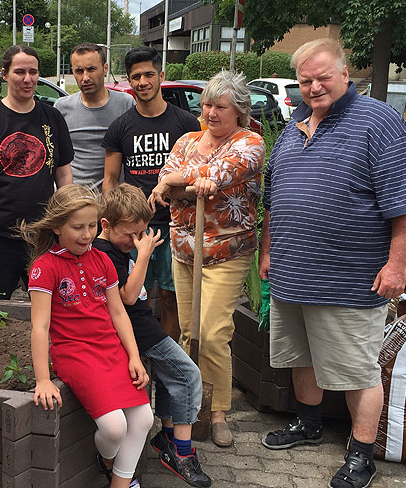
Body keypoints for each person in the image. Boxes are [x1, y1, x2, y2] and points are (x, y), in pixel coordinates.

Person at [258, 38, 406, 488]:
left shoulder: (378, 120)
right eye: (305, 80)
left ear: (346, 74)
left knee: (356, 370)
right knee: (301, 357)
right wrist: (268, 250)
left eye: (322, 77)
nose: (313, 87)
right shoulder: (294, 126)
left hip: (348, 279)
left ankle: (361, 454)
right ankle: (308, 424)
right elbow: (273, 197)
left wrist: (395, 266)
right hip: (293, 274)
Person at [150, 70, 265, 447]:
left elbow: (225, 172)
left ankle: (218, 413)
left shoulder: (249, 142)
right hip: (185, 250)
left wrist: (177, 182)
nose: (211, 113)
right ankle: (189, 408)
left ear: (239, 111)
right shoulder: (186, 140)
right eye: (206, 105)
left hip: (226, 252)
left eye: (220, 106)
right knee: (188, 332)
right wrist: (178, 183)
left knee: (214, 334)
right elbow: (165, 185)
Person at [23, 184, 152, 488]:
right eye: (77, 227)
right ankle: (109, 463)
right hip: (74, 353)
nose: (86, 234)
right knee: (114, 427)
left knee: (144, 419)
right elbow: (40, 327)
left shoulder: (103, 260)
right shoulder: (44, 268)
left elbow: (119, 313)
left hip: (110, 348)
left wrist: (134, 355)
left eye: (92, 226)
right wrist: (42, 379)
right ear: (57, 227)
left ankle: (120, 484)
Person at [93, 183, 212, 487]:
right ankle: (180, 453)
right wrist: (143, 254)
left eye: (140, 233)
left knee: (172, 378)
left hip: (144, 327)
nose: (135, 241)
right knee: (187, 375)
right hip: (139, 330)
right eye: (129, 234)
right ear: (106, 225)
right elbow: (128, 297)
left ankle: (167, 438)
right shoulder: (105, 252)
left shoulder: (116, 246)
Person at [0, 45, 73, 299]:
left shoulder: (52, 118)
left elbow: (63, 176)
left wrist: (68, 220)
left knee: (50, 305)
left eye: (33, 72)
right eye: (19, 72)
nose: (27, 79)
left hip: (42, 233)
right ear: (5, 74)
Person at [102, 46, 200, 342]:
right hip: (134, 231)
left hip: (175, 226)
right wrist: (111, 222)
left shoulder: (186, 123)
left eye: (148, 74)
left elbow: (196, 174)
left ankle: (165, 365)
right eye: (135, 77)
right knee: (129, 300)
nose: (142, 82)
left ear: (161, 75)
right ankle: (135, 362)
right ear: (129, 82)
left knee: (171, 299)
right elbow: (109, 179)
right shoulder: (121, 127)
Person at [54, 43, 135, 190]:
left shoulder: (126, 103)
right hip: (76, 203)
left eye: (91, 69)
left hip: (115, 202)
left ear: (105, 69)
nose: (85, 77)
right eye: (79, 71)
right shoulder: (61, 107)